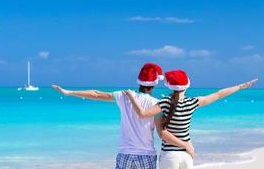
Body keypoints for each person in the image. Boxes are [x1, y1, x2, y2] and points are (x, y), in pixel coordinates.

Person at [52, 63, 191, 169]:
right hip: (146, 155)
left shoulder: (123, 96)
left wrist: (69, 92)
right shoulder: (156, 104)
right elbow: (162, 132)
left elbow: (96, 94)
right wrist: (185, 145)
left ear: (139, 82)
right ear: (154, 84)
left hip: (124, 153)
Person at [124, 69, 258, 169]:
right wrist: (241, 86)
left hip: (170, 156)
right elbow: (218, 94)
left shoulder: (164, 102)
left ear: (169, 85)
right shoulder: (192, 102)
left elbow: (142, 114)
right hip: (187, 156)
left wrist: (131, 97)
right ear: (187, 85)